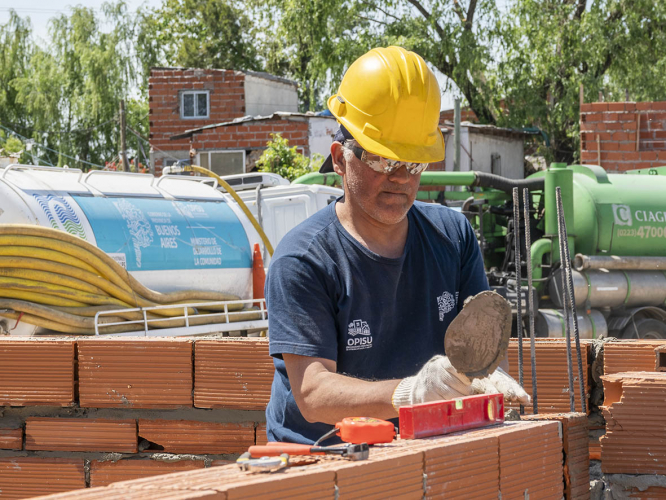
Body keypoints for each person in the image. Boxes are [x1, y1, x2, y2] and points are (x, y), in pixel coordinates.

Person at [265, 46, 529, 444]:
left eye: (414, 163)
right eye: (382, 161)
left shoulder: (452, 237)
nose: (401, 177)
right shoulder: (304, 260)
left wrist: (489, 375)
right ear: (339, 158)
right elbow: (312, 393)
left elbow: (482, 343)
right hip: (324, 460)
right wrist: (408, 393)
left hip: (422, 448)